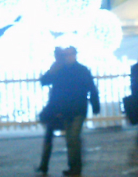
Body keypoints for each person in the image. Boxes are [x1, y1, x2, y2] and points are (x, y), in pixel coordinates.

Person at [37, 46, 99, 177]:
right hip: (68, 110)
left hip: (76, 110)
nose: (68, 57)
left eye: (70, 54)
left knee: (72, 139)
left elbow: (91, 88)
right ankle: (74, 168)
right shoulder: (62, 70)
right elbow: (45, 81)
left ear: (75, 55)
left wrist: (95, 104)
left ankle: (75, 168)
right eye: (67, 55)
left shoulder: (80, 70)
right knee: (71, 139)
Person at [37, 47, 65, 175]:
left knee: (51, 136)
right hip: (56, 107)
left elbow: (45, 81)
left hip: (61, 106)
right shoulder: (57, 67)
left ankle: (44, 165)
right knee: (51, 135)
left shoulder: (63, 68)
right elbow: (45, 81)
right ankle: (44, 165)